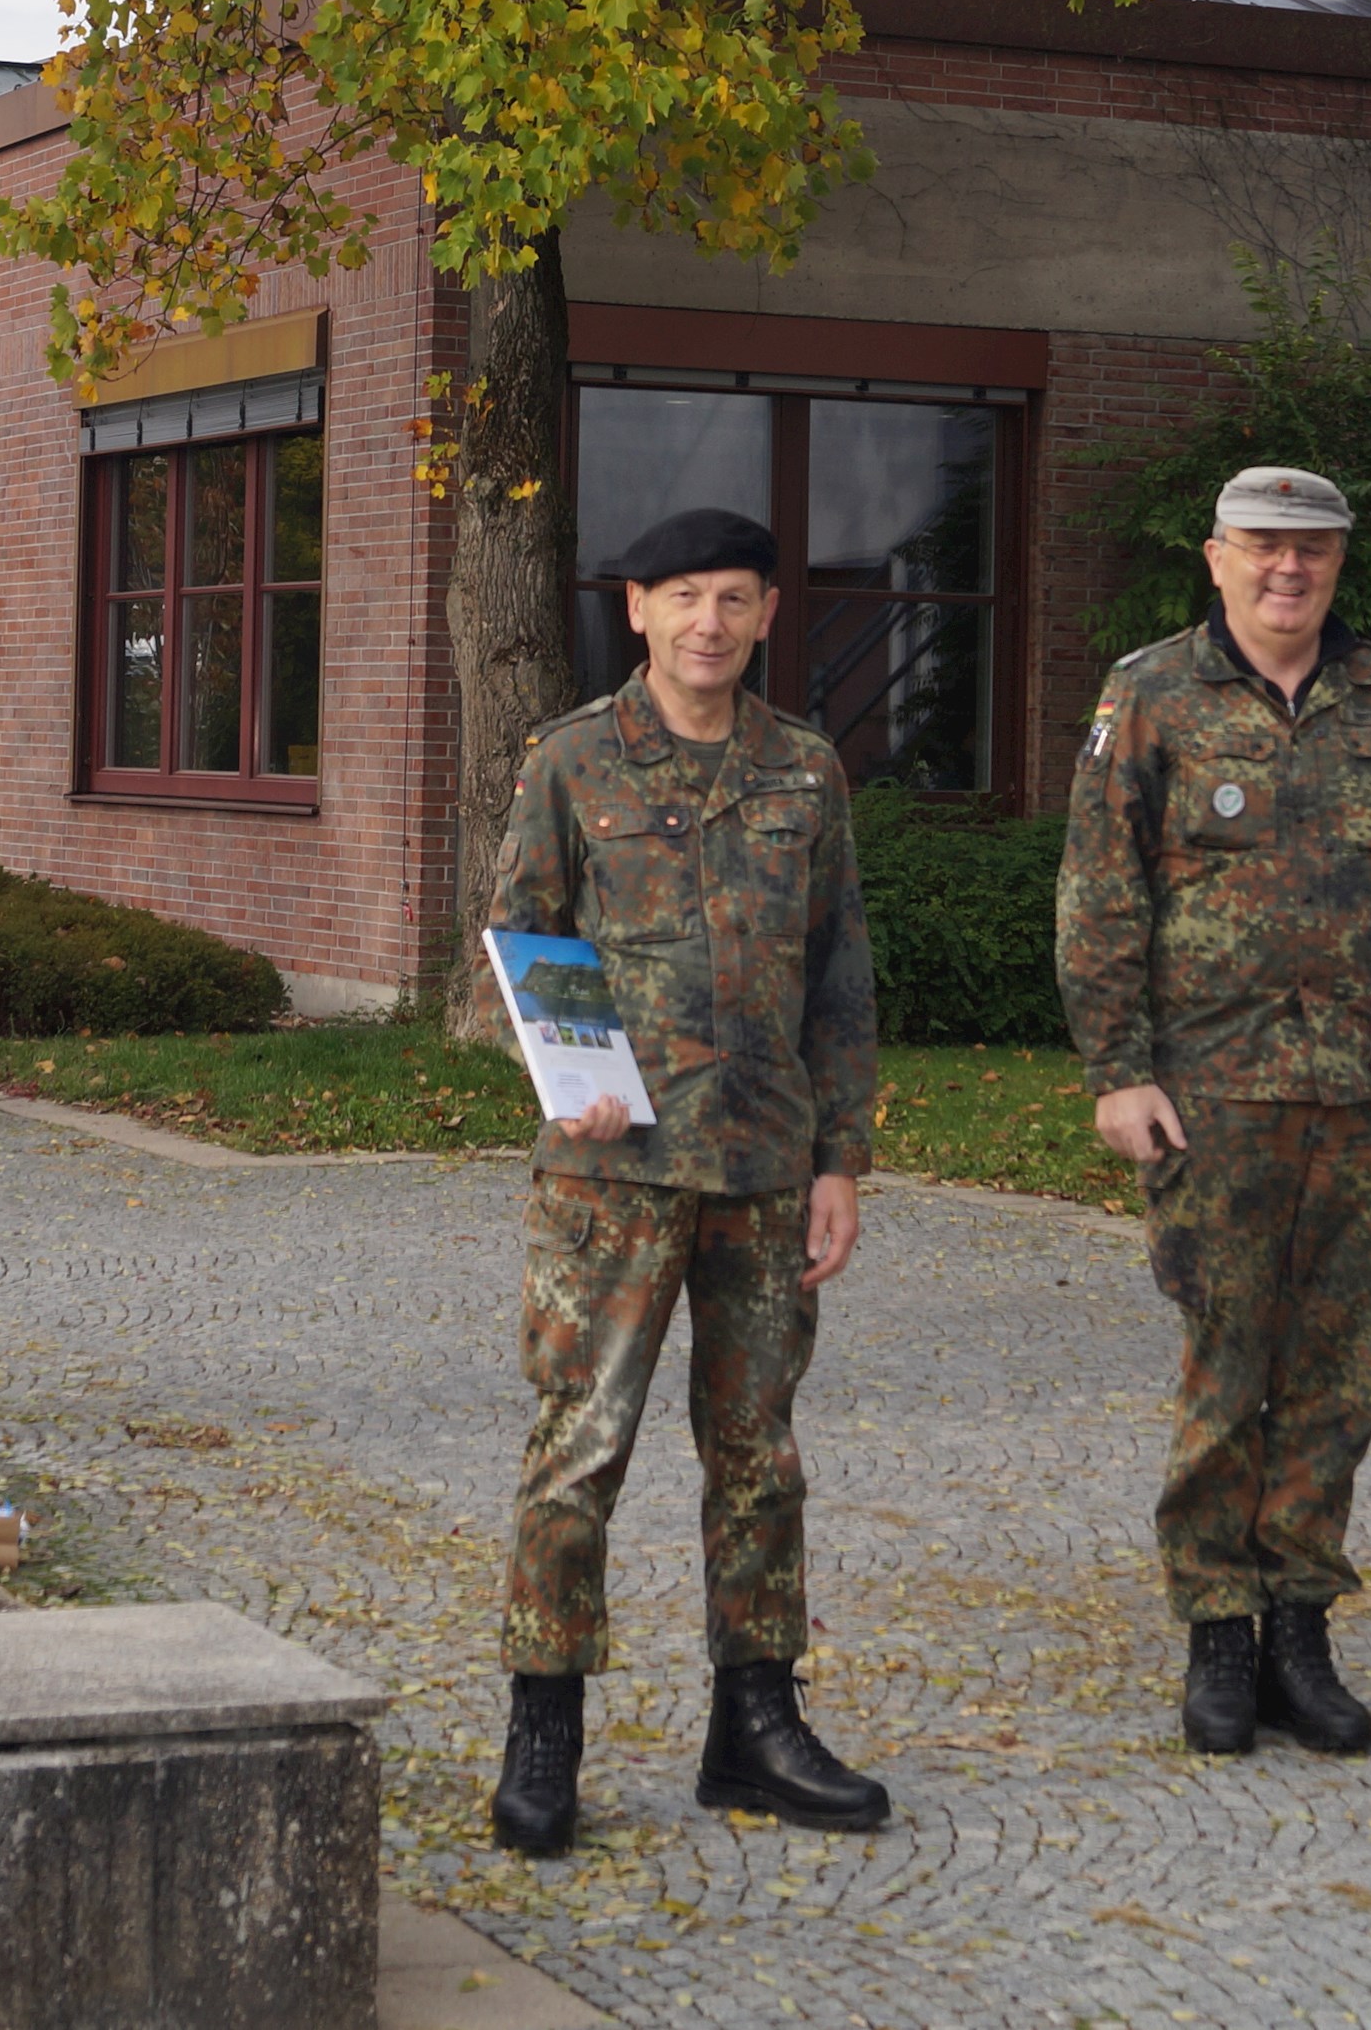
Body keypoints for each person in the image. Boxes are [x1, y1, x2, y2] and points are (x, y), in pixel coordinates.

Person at [1057, 465, 1371, 1761]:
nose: (1287, 569)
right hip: (1214, 1092)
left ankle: (1300, 1626)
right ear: (1216, 557)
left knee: (1338, 1367)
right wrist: (1118, 1068)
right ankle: (1216, 1624)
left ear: (1338, 562)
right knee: (1228, 1355)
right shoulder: (1150, 695)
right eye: (1263, 547)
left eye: (1310, 550)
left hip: (1367, 1095)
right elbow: (1100, 892)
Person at [479, 506, 887, 1853]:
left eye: (735, 598)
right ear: (639, 607)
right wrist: (567, 1066)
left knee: (760, 1455)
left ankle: (755, 1723)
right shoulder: (573, 757)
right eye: (684, 597)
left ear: (769, 613)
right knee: (578, 1447)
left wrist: (843, 1159)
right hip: (615, 1168)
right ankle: (546, 1724)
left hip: (765, 1164)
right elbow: (520, 935)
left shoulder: (803, 769)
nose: (709, 622)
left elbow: (839, 973)